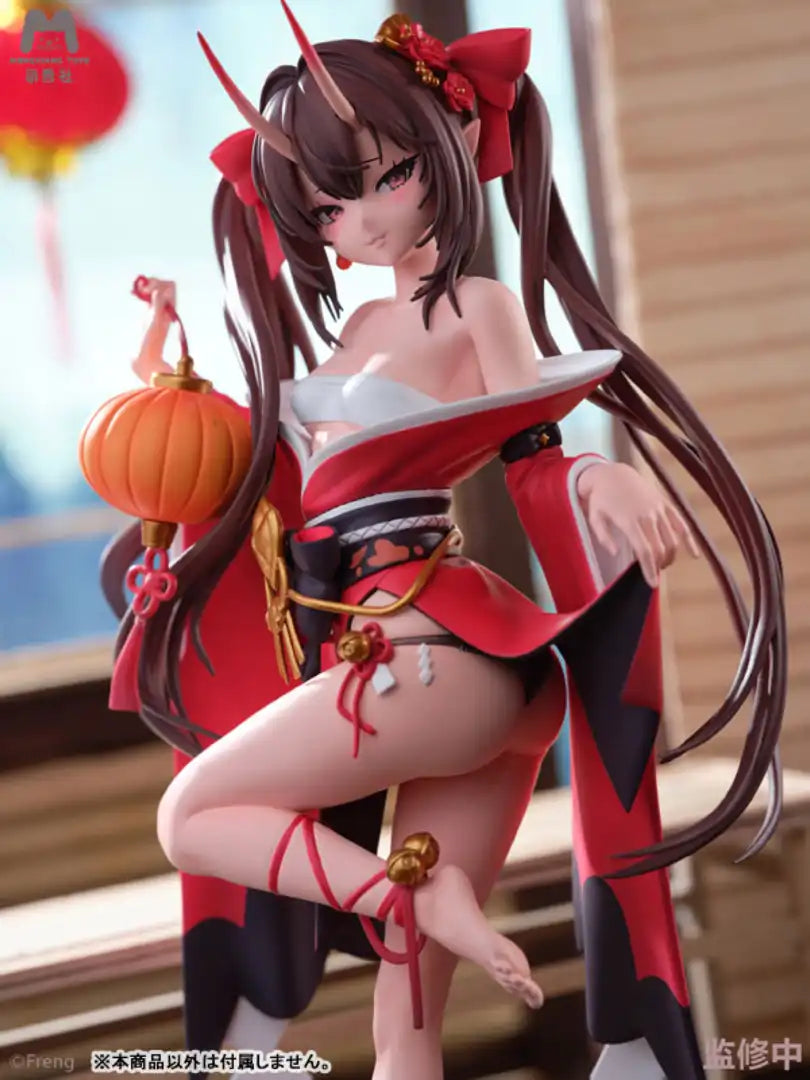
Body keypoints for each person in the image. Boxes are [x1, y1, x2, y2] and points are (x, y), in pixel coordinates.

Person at [103, 8, 785, 1079]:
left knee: (191, 814)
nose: (364, 219)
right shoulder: (355, 330)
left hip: (426, 660)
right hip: (455, 683)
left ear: (456, 142)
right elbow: (253, 460)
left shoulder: (476, 302)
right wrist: (165, 363)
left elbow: (532, 438)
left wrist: (597, 473)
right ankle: (426, 905)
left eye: (388, 177)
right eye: (330, 206)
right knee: (406, 1020)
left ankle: (412, 897)